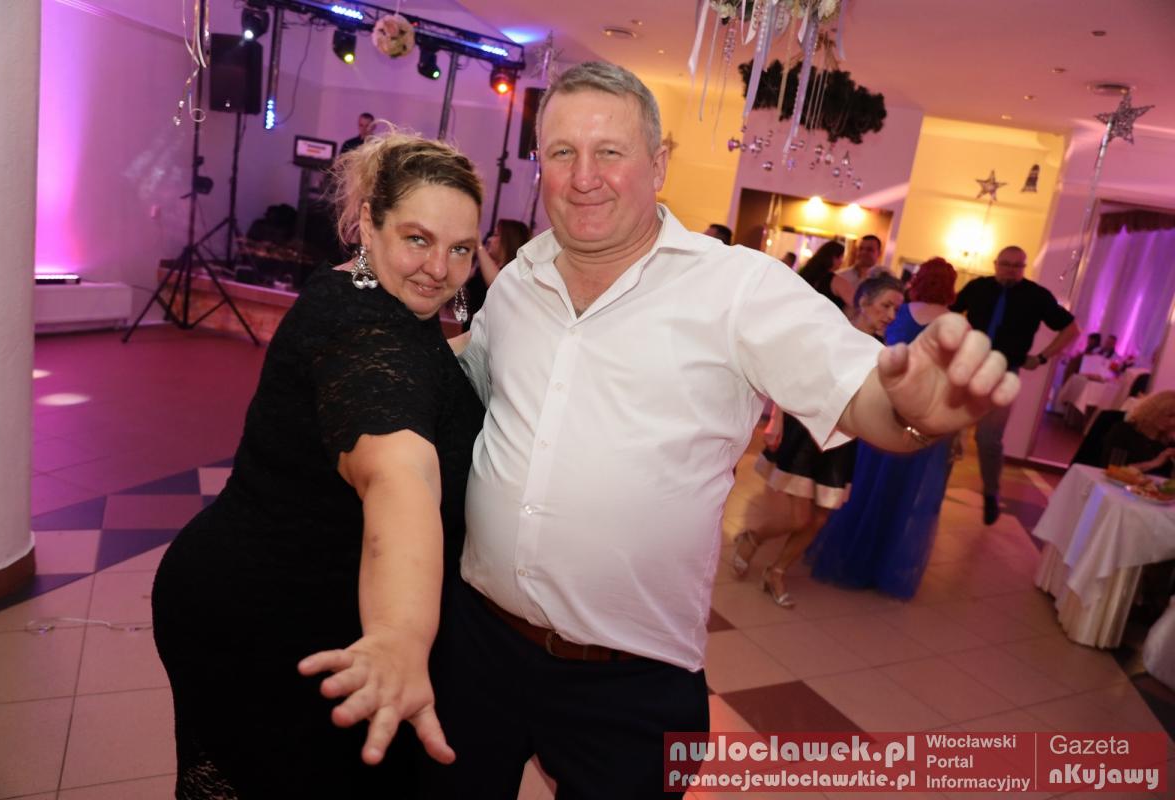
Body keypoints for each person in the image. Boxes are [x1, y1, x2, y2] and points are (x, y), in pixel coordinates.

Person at [429, 61, 1017, 798]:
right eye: (562, 152)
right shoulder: (520, 278)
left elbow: (863, 395)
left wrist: (913, 413)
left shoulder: (738, 288)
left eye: (609, 151)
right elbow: (474, 390)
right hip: (478, 643)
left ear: (658, 164)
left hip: (629, 683)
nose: (583, 177)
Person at [151, 131, 486, 797]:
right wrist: (400, 635)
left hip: (273, 595)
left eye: (461, 249)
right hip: (264, 620)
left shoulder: (368, 293)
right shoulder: (360, 328)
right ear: (368, 222)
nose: (439, 269)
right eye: (417, 239)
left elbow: (419, 365)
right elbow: (397, 473)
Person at [734, 273, 904, 607]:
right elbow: (791, 374)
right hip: (806, 432)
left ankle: (776, 572)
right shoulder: (833, 331)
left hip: (842, 442)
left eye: (897, 309)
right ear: (864, 301)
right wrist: (776, 420)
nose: (891, 315)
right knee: (798, 518)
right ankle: (751, 537)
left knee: (821, 517)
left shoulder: (882, 353)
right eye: (886, 306)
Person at [806, 258, 960, 599]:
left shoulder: (901, 313)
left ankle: (849, 556)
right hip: (923, 417)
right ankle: (883, 567)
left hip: (885, 408)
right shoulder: (954, 324)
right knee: (904, 496)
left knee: (865, 485)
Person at [951, 245, 1080, 524]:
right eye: (1005, 264)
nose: (1010, 269)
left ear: (1024, 268)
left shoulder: (1036, 296)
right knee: (948, 431)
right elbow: (949, 313)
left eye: (1016, 265)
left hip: (1005, 373)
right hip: (968, 366)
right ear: (995, 263)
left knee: (987, 438)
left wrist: (1042, 357)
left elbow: (1072, 329)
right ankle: (934, 492)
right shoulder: (977, 288)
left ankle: (990, 493)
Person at [460, 218, 529, 331]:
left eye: (496, 235)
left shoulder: (514, 274)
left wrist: (479, 245)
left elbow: (498, 284)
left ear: (508, 241)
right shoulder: (482, 269)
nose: (489, 239)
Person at [1102, 389, 1175, 477]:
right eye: (1170, 415)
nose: (1173, 422)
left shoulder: (1169, 442)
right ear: (1154, 413)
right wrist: (1153, 463)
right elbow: (1113, 469)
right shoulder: (1124, 431)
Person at [834, 233, 889, 311]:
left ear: (879, 253)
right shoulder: (841, 276)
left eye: (869, 250)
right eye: (861, 248)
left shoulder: (886, 278)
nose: (863, 252)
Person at [796, 240, 847, 311]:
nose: (842, 262)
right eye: (841, 257)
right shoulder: (833, 280)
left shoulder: (807, 272)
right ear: (834, 258)